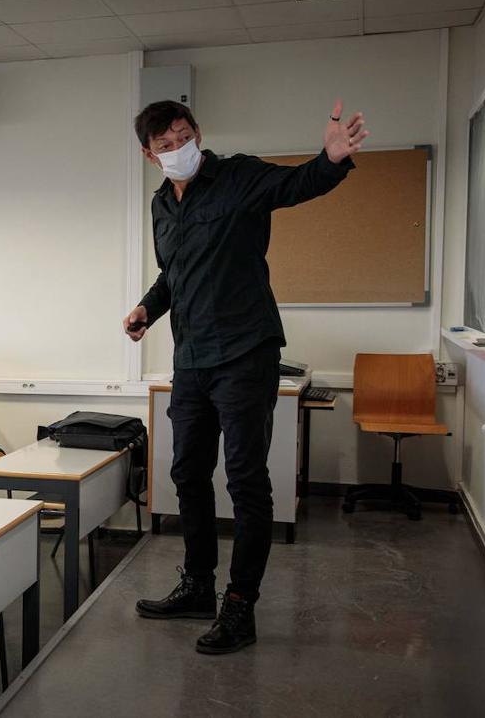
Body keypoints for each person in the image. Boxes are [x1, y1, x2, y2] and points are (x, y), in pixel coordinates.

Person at [127, 99, 365, 655]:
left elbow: (297, 184)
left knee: (245, 480)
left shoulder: (238, 176)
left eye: (183, 137)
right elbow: (174, 273)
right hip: (191, 360)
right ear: (148, 153)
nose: (176, 149)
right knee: (185, 472)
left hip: (244, 352)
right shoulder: (162, 203)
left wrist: (330, 160)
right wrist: (146, 308)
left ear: (198, 134)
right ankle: (198, 587)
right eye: (164, 145)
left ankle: (239, 607)